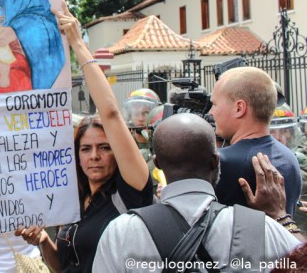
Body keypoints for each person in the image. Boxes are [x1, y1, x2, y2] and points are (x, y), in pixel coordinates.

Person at [16, 2, 152, 272]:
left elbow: (111, 114)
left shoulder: (132, 192)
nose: (95, 157)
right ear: (76, 156)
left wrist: (78, 45)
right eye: (85, 149)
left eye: (104, 147)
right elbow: (64, 266)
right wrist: (44, 240)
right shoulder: (74, 202)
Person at [92, 113, 301, 272]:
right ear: (215, 161)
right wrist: (281, 218)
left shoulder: (121, 233)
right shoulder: (261, 229)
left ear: (157, 163)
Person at [210, 67, 302, 216]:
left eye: (214, 104)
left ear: (239, 108)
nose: (211, 112)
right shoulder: (290, 158)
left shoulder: (222, 162)